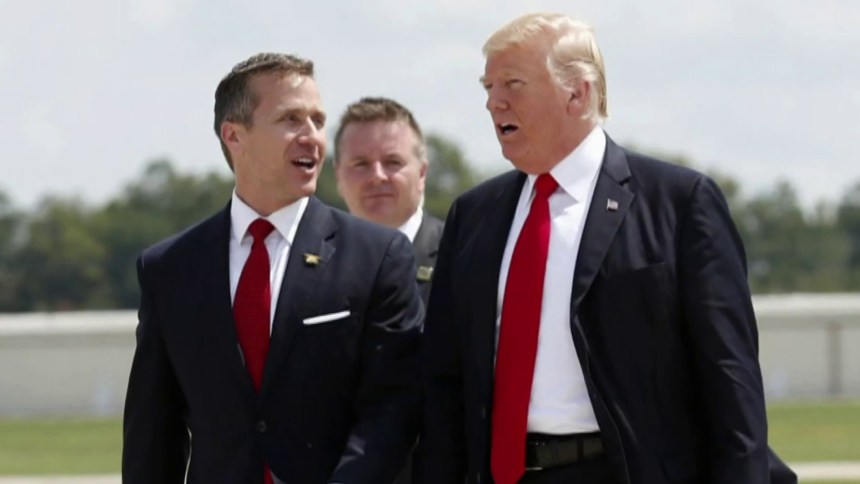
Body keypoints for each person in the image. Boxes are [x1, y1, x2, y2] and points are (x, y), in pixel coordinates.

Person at [417, 13, 796, 484]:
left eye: (513, 83)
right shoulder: (473, 216)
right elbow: (444, 386)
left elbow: (730, 380)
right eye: (488, 87)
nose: (494, 102)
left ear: (578, 93)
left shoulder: (679, 204)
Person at [122, 53, 423, 484]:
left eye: (318, 121)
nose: (312, 136)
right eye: (291, 119)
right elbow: (153, 431)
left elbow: (392, 412)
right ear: (234, 135)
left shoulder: (377, 257)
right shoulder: (169, 269)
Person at [333, 96, 444, 306]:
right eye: (361, 164)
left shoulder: (459, 255)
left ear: (422, 174)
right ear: (338, 175)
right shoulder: (311, 263)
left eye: (392, 162)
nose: (377, 176)